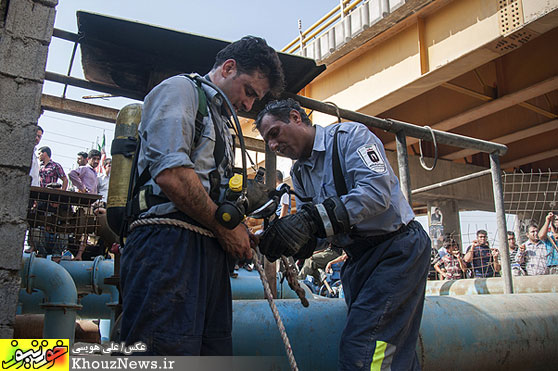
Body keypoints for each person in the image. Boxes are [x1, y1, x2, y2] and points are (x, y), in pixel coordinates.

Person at [119, 36, 284, 356]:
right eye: (249, 91)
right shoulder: (180, 91)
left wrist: (239, 230)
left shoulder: (221, 119)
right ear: (228, 68)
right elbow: (172, 174)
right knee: (164, 352)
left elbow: (208, 189)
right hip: (167, 244)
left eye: (256, 99)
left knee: (212, 354)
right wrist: (224, 227)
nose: (249, 105)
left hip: (207, 250)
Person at [254, 98, 431, 370]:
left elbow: (377, 193)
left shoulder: (350, 137)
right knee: (389, 344)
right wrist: (296, 241)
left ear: (296, 117)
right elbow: (317, 228)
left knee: (364, 347)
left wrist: (311, 221)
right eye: (269, 142)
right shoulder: (299, 173)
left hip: (397, 251)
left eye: (275, 133)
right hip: (358, 261)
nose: (274, 145)